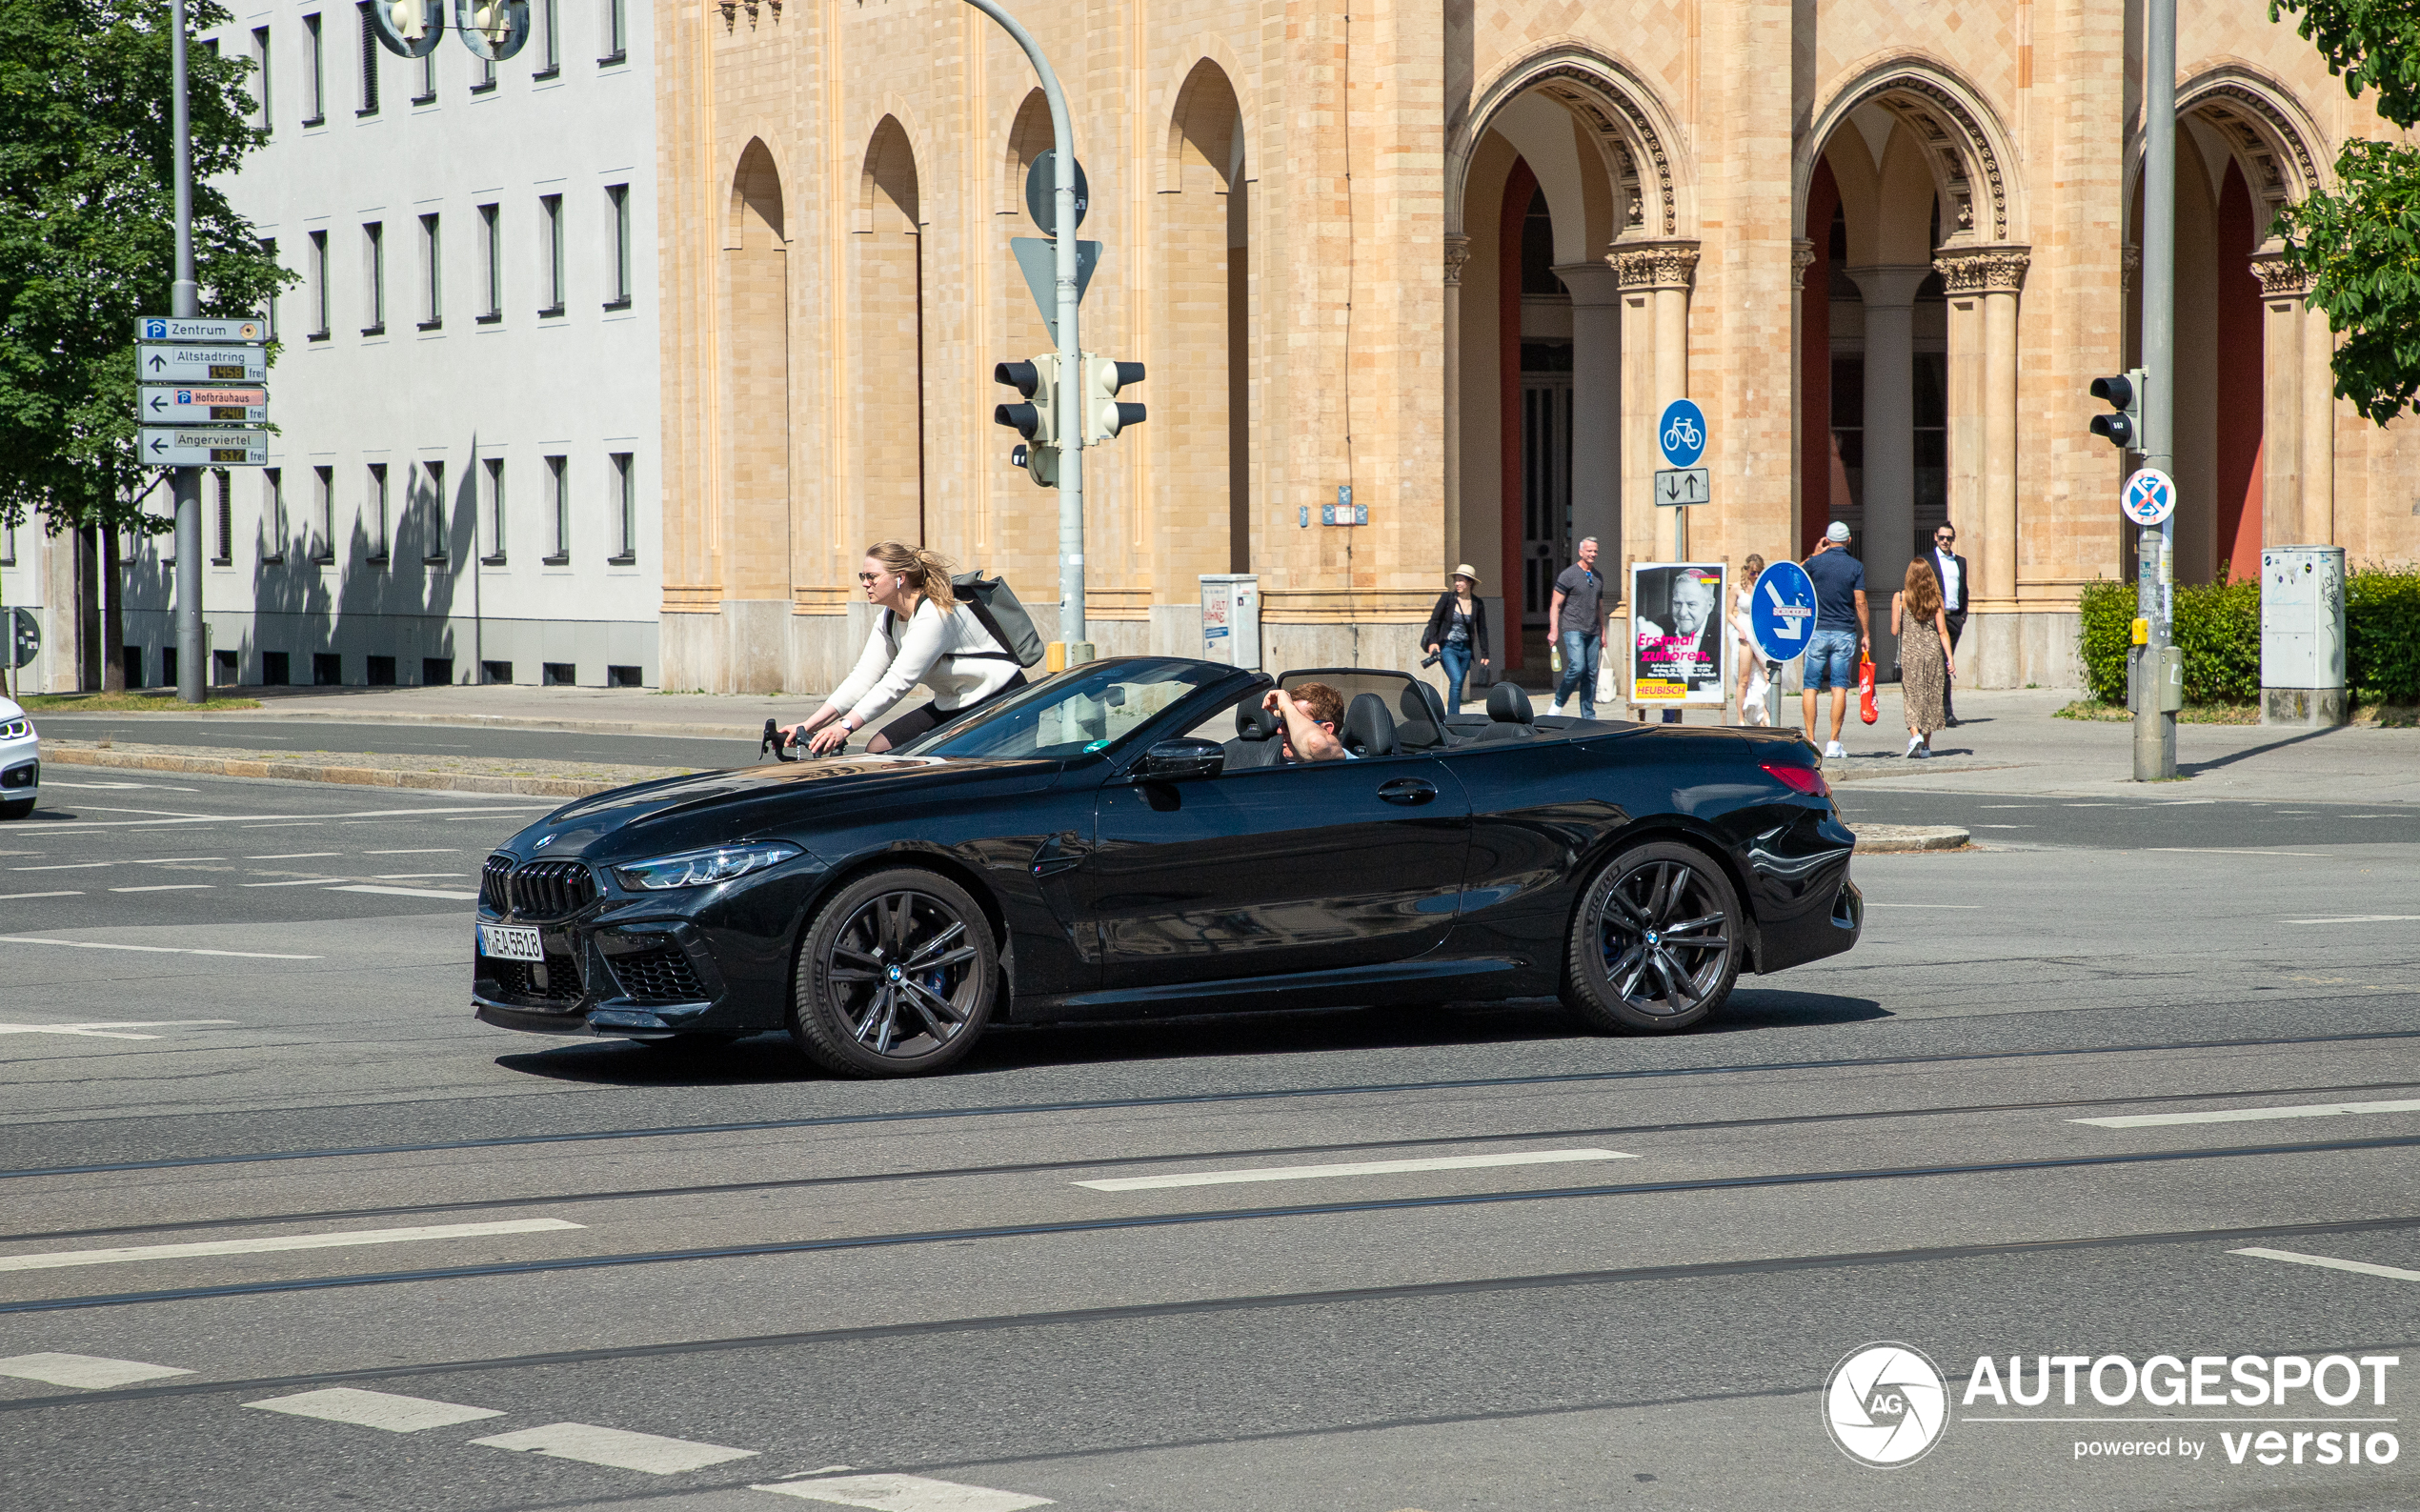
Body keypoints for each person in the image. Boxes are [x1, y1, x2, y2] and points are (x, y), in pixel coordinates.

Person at [780, 541, 1025, 756]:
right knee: (880, 750)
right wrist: (808, 725)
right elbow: (863, 677)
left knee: (955, 762)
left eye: (872, 576)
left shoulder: (935, 614)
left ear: (901, 577)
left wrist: (845, 726)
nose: (865, 584)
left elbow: (898, 681)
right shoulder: (889, 618)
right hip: (953, 702)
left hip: (1000, 698)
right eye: (862, 576)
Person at [1800, 521, 1870, 760]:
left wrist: (1815, 553)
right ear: (1849, 540)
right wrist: (1866, 633)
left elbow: (1794, 573)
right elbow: (1860, 601)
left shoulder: (1815, 563)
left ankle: (1810, 740)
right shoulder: (1855, 566)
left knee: (1811, 685)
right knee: (1839, 685)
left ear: (1827, 539)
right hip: (1844, 632)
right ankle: (1833, 742)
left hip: (1817, 631)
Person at [1893, 558, 1955, 756]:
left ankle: (1915, 735)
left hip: (1911, 653)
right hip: (1933, 653)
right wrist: (1950, 659)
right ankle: (1926, 746)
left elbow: (1895, 630)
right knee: (1931, 697)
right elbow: (1943, 631)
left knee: (1911, 696)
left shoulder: (1900, 597)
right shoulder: (1936, 599)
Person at [1635, 568, 1724, 695]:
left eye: (1691, 605)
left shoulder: (1720, 631)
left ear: (1710, 605)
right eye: (1677, 604)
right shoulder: (1662, 626)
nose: (1682, 613)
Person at [1547, 535, 1606, 719]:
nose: (1593, 554)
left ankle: (1588, 715)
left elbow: (1600, 607)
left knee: (1591, 673)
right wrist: (1553, 629)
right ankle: (1558, 703)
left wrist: (1603, 632)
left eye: (1595, 550)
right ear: (1580, 552)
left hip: (1593, 630)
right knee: (1577, 667)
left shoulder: (1598, 577)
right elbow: (1555, 604)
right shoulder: (1568, 575)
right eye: (1589, 550)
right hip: (1573, 627)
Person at [1421, 565, 1492, 715]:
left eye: (1461, 581)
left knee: (1457, 683)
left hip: (1466, 650)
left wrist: (1485, 654)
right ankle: (1453, 718)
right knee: (1457, 680)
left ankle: (1454, 718)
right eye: (1456, 581)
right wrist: (1433, 641)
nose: (1457, 584)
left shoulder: (1477, 603)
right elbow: (1434, 620)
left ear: (1470, 583)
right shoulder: (1448, 599)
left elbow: (1482, 629)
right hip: (1448, 647)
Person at [1927, 522, 1969, 725]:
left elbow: (1964, 589)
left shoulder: (1960, 562)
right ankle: (1941, 711)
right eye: (1942, 537)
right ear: (1936, 537)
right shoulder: (1927, 560)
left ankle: (1945, 711)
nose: (1945, 541)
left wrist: (1963, 616)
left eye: (1949, 538)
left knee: (1945, 664)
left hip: (1953, 618)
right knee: (1938, 664)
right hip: (1933, 618)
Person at [1730, 554, 1772, 725]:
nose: (1755, 576)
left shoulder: (1765, 588)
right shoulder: (1737, 588)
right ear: (1746, 570)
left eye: (1758, 572)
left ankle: (1764, 713)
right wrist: (1739, 629)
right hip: (1744, 632)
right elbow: (1728, 613)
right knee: (1744, 678)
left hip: (1759, 631)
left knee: (1767, 674)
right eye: (1752, 572)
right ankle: (1741, 718)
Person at [1260, 681, 1349, 761]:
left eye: (1290, 723)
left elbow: (1315, 744)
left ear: (1326, 729)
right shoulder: (1283, 771)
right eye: (1282, 722)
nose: (1280, 730)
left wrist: (1287, 707)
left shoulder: (1348, 765)